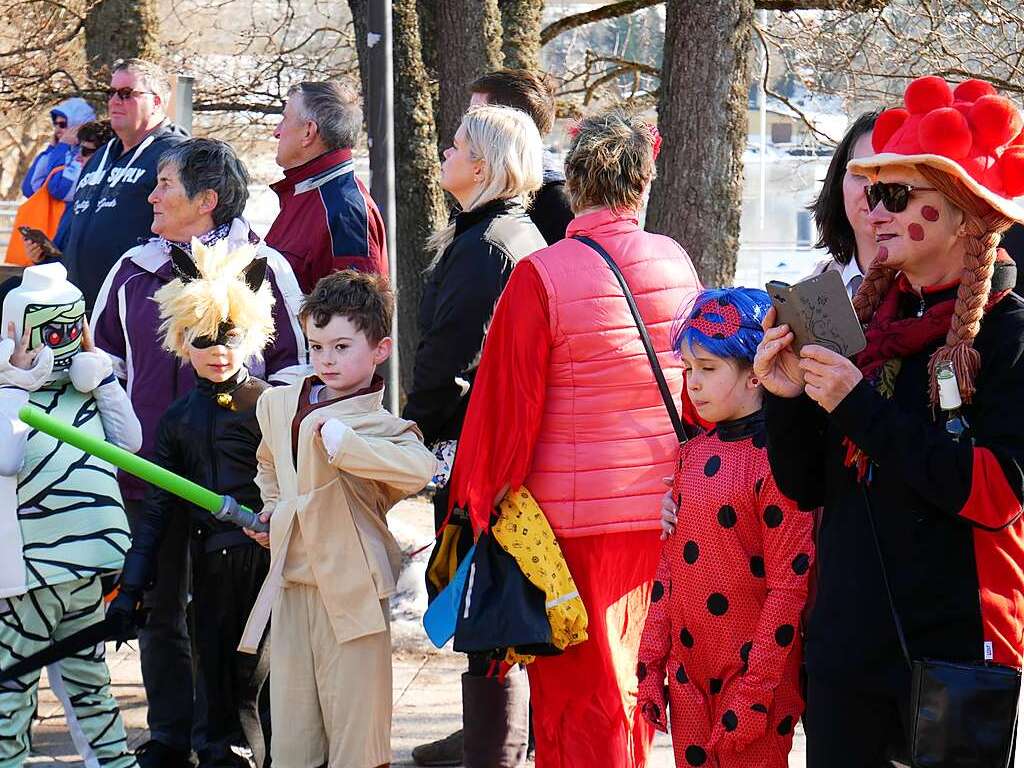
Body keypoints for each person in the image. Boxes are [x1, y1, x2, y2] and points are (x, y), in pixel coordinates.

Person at [754, 75, 1024, 767]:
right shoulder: (865, 322)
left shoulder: (1008, 335)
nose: (873, 211)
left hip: (953, 653)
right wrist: (785, 397)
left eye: (897, 196)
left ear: (966, 215)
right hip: (848, 648)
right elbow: (808, 488)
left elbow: (995, 494)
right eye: (872, 192)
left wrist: (857, 405)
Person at [446, 111, 701, 768]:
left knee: (579, 700)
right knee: (639, 687)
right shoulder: (675, 262)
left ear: (576, 186)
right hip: (662, 518)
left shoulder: (543, 275)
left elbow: (505, 413)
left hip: (567, 533)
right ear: (641, 185)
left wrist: (473, 506)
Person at [91, 138, 305, 768]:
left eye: (164, 184)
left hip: (240, 492)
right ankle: (169, 736)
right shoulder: (131, 271)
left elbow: (295, 368)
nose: (150, 194)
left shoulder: (266, 268)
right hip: (151, 478)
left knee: (229, 618)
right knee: (162, 609)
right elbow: (102, 363)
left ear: (206, 200)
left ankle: (235, 735)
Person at [237, 270, 436, 768]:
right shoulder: (278, 404)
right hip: (291, 586)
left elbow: (420, 469)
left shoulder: (386, 427)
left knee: (358, 737)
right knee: (294, 739)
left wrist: (353, 448)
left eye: (342, 346)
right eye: (316, 346)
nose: (327, 359)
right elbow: (268, 463)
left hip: (354, 592)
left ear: (380, 349)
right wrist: (272, 509)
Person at [404, 104, 546, 768]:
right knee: (493, 621)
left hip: (477, 463)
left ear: (483, 164)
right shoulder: (507, 236)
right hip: (499, 458)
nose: (445, 152)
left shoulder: (487, 247)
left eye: (456, 144)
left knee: (483, 620)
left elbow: (448, 366)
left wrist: (411, 430)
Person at [108, 240, 277, 768]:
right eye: (203, 339)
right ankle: (216, 749)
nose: (217, 349)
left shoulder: (272, 405)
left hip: (271, 564)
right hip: (208, 564)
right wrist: (130, 587)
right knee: (211, 661)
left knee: (263, 672)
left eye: (229, 336)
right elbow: (157, 508)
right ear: (183, 341)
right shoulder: (178, 419)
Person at [637, 288, 813, 768]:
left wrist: (757, 689)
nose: (693, 384)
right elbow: (670, 573)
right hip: (689, 675)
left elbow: (788, 586)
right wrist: (651, 663)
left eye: (709, 369)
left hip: (756, 677)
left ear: (756, 374)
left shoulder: (779, 463)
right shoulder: (692, 455)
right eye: (690, 369)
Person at [0, 262, 142, 768]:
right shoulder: (6, 397)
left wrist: (99, 373)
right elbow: (6, 458)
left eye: (69, 328)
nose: (59, 341)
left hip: (80, 565)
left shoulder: (85, 390)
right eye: (51, 330)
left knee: (82, 685)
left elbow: (132, 446)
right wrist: (14, 383)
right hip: (30, 571)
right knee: (17, 689)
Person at [61, 58, 188, 310]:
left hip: (135, 309)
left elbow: (190, 234)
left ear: (157, 102)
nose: (115, 101)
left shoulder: (176, 153)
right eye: (111, 93)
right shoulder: (99, 155)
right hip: (81, 305)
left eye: (127, 93)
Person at [265, 80, 387, 293]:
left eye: (284, 119)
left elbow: (356, 320)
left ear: (308, 132)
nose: (277, 131)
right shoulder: (308, 193)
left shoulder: (345, 212)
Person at [469, 69, 574, 245]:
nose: (468, 127)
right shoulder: (478, 187)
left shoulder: (557, 202)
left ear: (512, 125)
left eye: (478, 117)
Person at [808, 111, 879, 296]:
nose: (873, 189)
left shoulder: (955, 300)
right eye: (860, 173)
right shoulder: (810, 294)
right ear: (839, 183)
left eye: (891, 176)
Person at [20, 97, 96, 198]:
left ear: (78, 126)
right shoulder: (62, 153)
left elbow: (59, 189)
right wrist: (51, 149)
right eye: (55, 124)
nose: (57, 129)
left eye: (62, 124)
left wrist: (61, 147)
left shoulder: (88, 155)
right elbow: (29, 189)